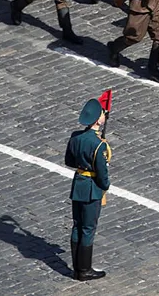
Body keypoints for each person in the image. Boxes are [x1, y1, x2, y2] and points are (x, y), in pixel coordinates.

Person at [64, 98, 111, 281]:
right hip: (92, 188)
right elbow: (102, 173)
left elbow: (69, 161)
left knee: (77, 224)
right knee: (88, 228)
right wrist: (105, 184)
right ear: (98, 120)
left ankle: (77, 267)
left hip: (78, 185)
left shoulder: (76, 137)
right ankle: (84, 270)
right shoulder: (98, 145)